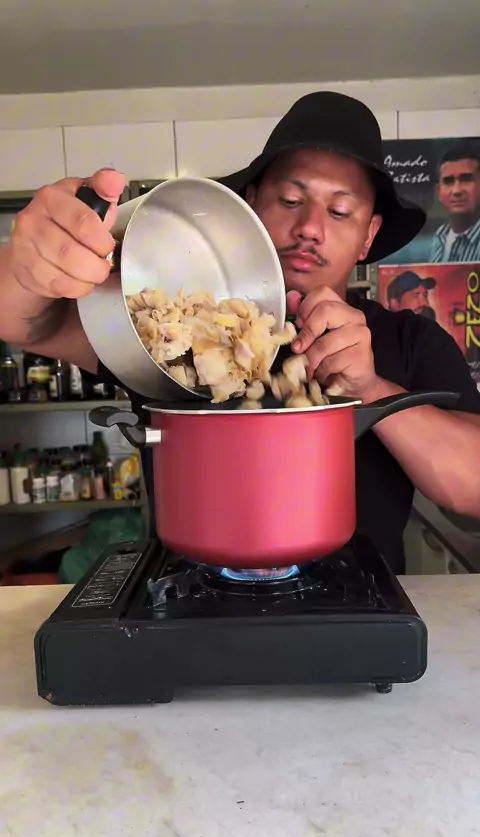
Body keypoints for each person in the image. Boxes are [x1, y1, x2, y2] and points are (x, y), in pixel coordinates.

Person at [0, 91, 479, 574]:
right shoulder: (178, 330)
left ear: (368, 236)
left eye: (339, 212)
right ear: (251, 204)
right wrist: (28, 263)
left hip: (363, 602)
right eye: (290, 200)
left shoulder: (411, 340)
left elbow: (473, 489)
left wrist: (371, 390)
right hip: (191, 597)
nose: (310, 227)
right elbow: (25, 323)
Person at [429, 142, 480, 263]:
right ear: (438, 192)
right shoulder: (440, 237)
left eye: (466, 179)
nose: (456, 190)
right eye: (448, 181)